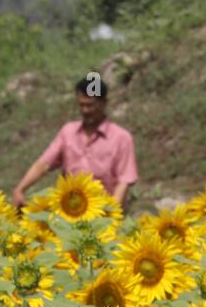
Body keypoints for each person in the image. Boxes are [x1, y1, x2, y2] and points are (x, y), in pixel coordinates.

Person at [12, 77, 138, 209]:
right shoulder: (68, 132)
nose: (85, 110)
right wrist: (20, 189)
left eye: (90, 105)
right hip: (68, 213)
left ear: (103, 103)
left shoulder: (121, 138)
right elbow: (43, 164)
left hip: (101, 213)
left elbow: (124, 181)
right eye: (81, 105)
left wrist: (112, 215)